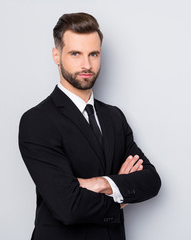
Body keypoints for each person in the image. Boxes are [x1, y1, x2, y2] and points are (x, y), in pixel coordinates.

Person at [18, 12, 161, 240]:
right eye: (75, 53)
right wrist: (119, 194)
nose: (86, 64)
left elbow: (152, 181)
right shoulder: (37, 121)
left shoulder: (114, 117)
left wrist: (101, 183)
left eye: (93, 54)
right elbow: (68, 207)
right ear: (56, 56)